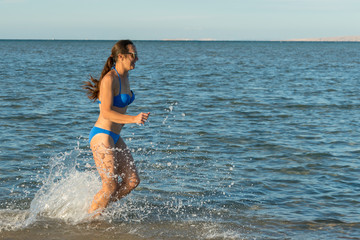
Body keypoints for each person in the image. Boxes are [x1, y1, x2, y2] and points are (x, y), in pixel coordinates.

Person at [83, 40, 150, 216]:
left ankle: (96, 211)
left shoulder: (125, 76)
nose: (136, 59)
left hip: (115, 136)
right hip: (102, 135)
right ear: (121, 56)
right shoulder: (109, 79)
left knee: (132, 181)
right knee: (110, 185)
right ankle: (88, 223)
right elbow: (106, 113)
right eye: (133, 55)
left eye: (137, 55)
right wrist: (133, 119)